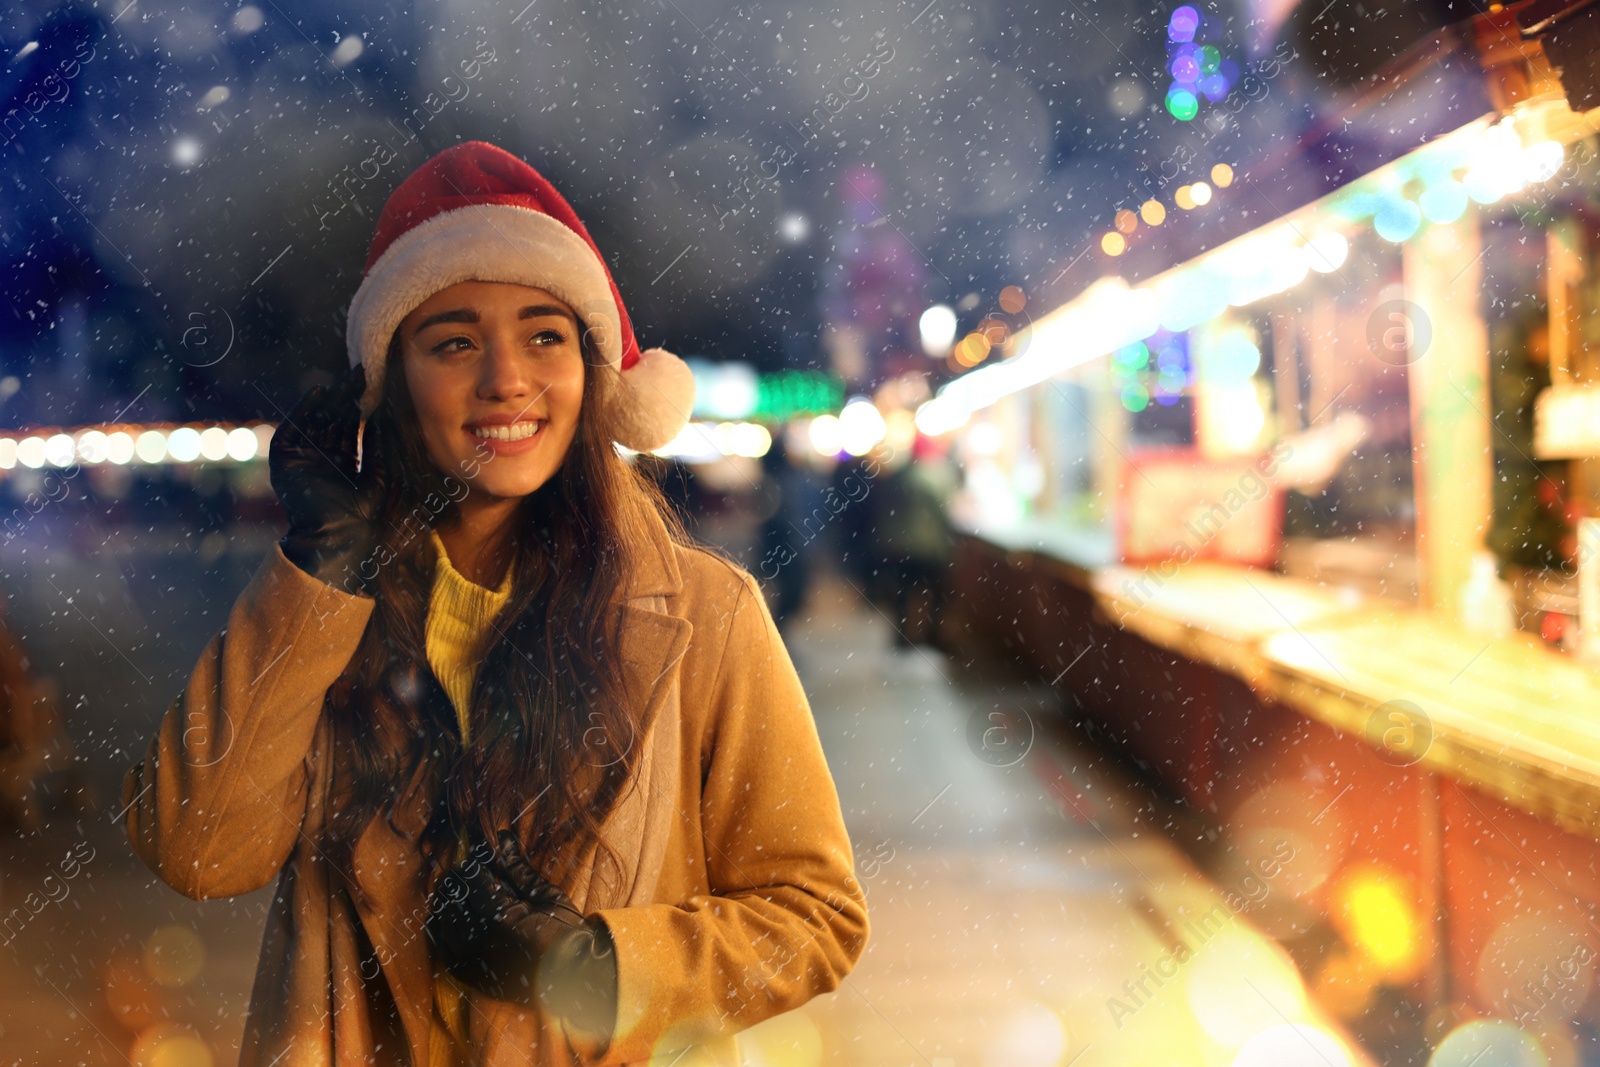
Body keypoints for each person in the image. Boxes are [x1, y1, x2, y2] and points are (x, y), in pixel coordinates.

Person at [122, 142, 867, 1066]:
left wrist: (598, 965)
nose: (506, 379)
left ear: (595, 372)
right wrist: (321, 568)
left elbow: (816, 916)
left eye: (546, 335)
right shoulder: (327, 616)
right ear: (395, 383)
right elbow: (197, 850)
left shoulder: (705, 615)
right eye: (456, 341)